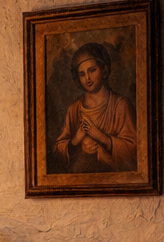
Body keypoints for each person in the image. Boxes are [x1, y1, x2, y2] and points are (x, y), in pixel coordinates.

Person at [54, 42, 137, 174]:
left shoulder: (121, 105)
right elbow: (58, 151)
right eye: (82, 74)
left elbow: (134, 150)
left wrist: (100, 137)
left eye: (92, 70)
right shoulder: (74, 109)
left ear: (104, 70)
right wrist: (76, 141)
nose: (87, 78)